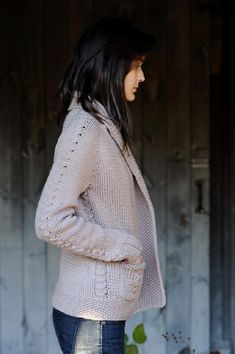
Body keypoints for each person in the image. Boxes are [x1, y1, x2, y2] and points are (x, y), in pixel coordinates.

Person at [35, 16, 166, 354]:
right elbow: (50, 221)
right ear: (111, 65)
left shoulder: (101, 123)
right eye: (135, 66)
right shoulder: (86, 129)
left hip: (96, 311)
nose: (142, 76)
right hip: (91, 316)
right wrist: (122, 246)